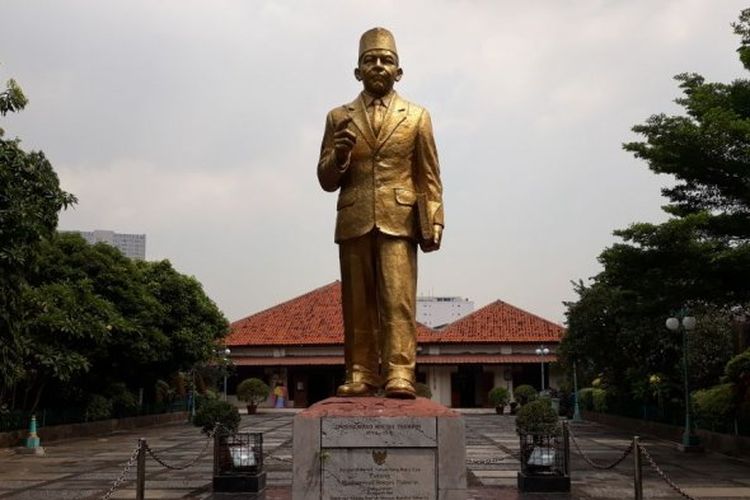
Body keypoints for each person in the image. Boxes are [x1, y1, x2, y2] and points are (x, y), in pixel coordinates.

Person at [317, 27, 444, 399]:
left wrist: (434, 218)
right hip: (354, 216)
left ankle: (400, 373)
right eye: (369, 60)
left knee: (398, 300)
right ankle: (360, 373)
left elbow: (430, 174)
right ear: (357, 71)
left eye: (386, 60)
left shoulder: (418, 116)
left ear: (399, 71)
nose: (377, 66)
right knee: (356, 304)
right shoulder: (338, 117)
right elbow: (325, 180)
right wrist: (339, 157)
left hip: (399, 219)